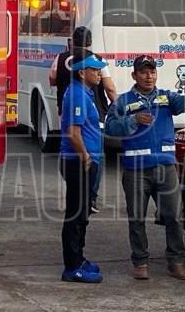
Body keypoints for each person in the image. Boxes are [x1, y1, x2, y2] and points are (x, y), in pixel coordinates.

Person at [105, 54, 185, 281]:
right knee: (137, 217)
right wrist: (134, 120)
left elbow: (184, 104)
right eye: (143, 72)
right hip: (136, 170)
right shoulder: (123, 102)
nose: (149, 76)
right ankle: (140, 262)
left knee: (174, 215)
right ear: (134, 75)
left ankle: (176, 261)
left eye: (152, 72)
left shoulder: (166, 97)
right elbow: (110, 128)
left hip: (166, 168)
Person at [50, 26, 117, 214]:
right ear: (90, 42)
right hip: (92, 115)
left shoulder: (61, 58)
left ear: (73, 40)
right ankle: (90, 198)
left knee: (71, 152)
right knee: (94, 157)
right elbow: (110, 88)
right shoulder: (95, 60)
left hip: (66, 113)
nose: (97, 73)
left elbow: (52, 78)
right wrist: (118, 108)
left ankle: (79, 197)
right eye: (95, 71)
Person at [58, 54, 107, 284]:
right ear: (81, 72)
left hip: (85, 160)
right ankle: (72, 266)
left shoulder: (85, 92)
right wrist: (86, 157)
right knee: (76, 215)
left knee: (82, 213)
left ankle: (78, 258)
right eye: (95, 70)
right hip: (79, 161)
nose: (99, 73)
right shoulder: (77, 94)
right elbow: (73, 133)